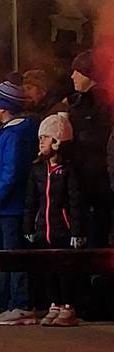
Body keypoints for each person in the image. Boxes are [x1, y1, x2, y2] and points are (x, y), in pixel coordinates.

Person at [0, 80, 39, 325]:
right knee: (7, 256)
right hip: (2, 206)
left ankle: (21, 303)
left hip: (9, 207)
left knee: (13, 256)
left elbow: (11, 171)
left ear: (3, 108)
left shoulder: (14, 136)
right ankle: (9, 302)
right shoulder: (8, 133)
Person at [24, 114, 84, 327]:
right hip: (43, 229)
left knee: (64, 270)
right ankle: (54, 304)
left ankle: (68, 306)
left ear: (58, 142)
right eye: (40, 137)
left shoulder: (67, 170)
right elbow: (31, 201)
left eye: (46, 137)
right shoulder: (38, 169)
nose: (41, 141)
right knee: (48, 269)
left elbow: (75, 201)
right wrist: (29, 226)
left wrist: (77, 231)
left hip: (62, 228)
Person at [69, 50, 112, 249]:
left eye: (77, 71)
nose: (72, 76)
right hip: (79, 185)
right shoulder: (77, 105)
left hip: (100, 186)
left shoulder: (105, 107)